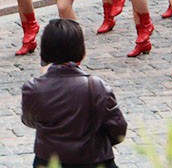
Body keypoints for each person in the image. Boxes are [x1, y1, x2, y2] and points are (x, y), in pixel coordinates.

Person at [21, 18, 127, 168]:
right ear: (81, 51)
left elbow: (30, 121)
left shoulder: (33, 88)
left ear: (44, 51)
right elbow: (118, 129)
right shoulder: (96, 86)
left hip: (49, 161)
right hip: (93, 160)